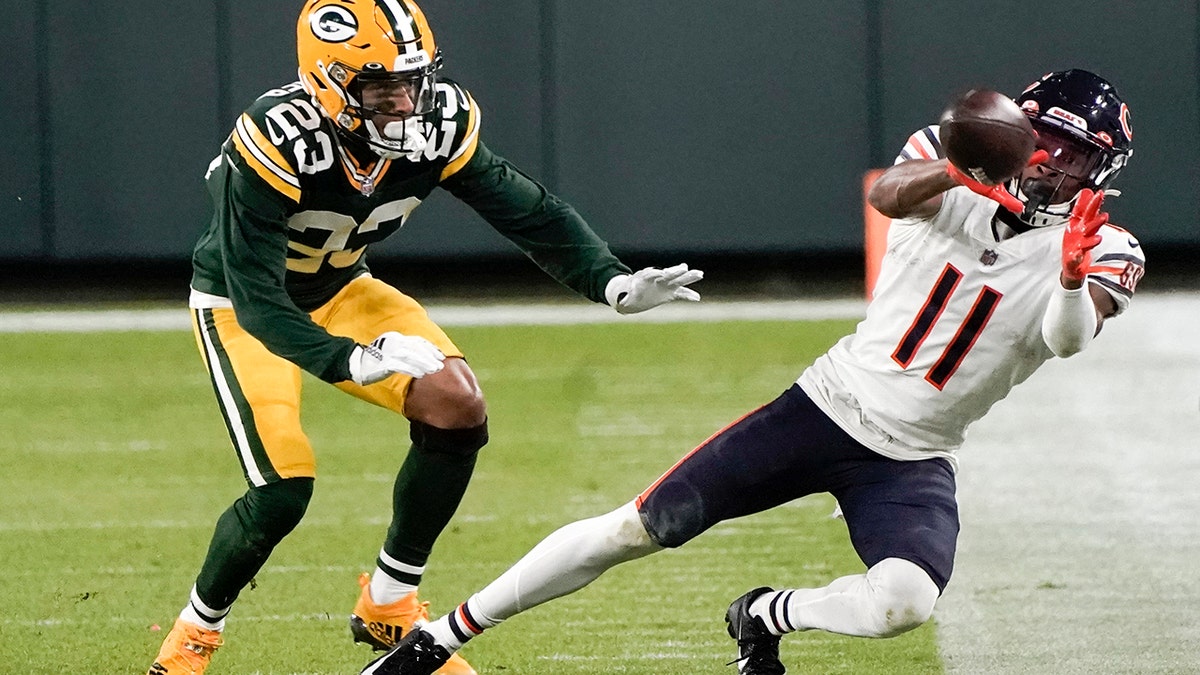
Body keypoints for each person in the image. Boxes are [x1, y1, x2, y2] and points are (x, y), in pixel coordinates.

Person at [358, 69, 1145, 675]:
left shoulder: (1108, 247)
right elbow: (891, 196)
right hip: (825, 406)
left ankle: (768, 614)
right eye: (1043, 141)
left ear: (1102, 169)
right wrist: (963, 172)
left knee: (907, 600)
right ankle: (438, 637)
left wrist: (1071, 274)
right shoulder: (947, 164)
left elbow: (1064, 340)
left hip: (915, 453)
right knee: (637, 528)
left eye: (1075, 155)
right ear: (1013, 129)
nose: (1051, 165)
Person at [145, 1, 704, 674]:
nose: (404, 100)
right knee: (282, 487)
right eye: (381, 85)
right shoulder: (276, 137)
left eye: (413, 79)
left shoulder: (438, 123)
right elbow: (261, 302)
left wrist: (611, 282)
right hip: (241, 303)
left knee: (456, 402)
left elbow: (524, 207)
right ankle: (195, 632)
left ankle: (390, 603)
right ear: (328, 81)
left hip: (343, 287)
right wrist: (351, 359)